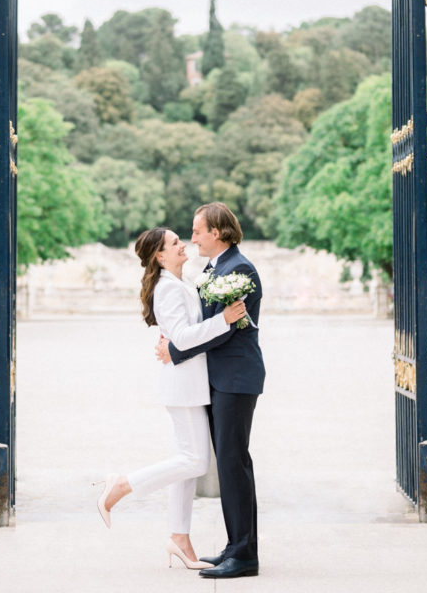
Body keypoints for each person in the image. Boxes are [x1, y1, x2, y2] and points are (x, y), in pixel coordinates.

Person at [96, 226, 246, 570]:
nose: (184, 245)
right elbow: (182, 337)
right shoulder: (167, 289)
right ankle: (122, 485)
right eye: (175, 242)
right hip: (183, 385)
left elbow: (176, 338)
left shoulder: (180, 284)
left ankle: (179, 539)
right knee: (196, 462)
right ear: (159, 256)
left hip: (190, 383)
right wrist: (223, 320)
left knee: (187, 463)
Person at [156, 202, 265, 580]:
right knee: (231, 464)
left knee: (234, 465)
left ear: (217, 232)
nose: (193, 238)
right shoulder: (218, 269)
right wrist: (175, 343)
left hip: (236, 379)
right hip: (222, 381)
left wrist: (174, 350)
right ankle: (237, 547)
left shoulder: (239, 269)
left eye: (197, 230)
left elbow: (226, 328)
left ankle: (244, 555)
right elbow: (206, 324)